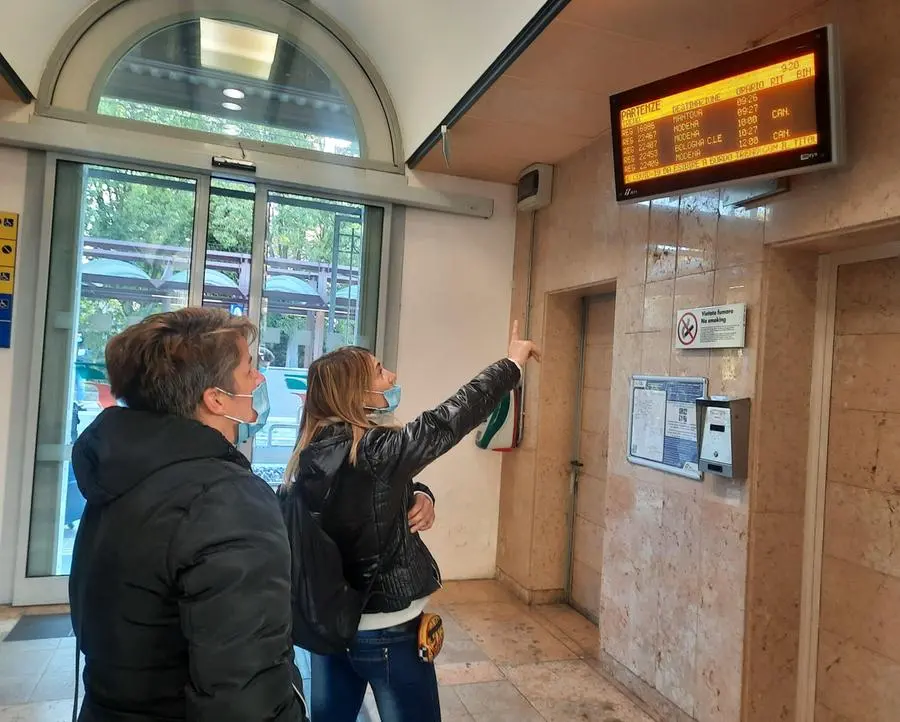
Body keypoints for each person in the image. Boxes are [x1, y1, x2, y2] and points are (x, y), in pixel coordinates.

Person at [282, 321, 540, 721]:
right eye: (381, 370)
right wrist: (511, 364)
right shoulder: (374, 450)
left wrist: (422, 494)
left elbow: (371, 497)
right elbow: (447, 420)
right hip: (388, 629)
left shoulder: (312, 450)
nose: (392, 376)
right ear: (356, 393)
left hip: (331, 627)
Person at [69, 308, 306, 722]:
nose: (259, 380)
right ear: (215, 398)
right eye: (249, 368)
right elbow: (244, 697)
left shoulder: (125, 473)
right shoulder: (224, 499)